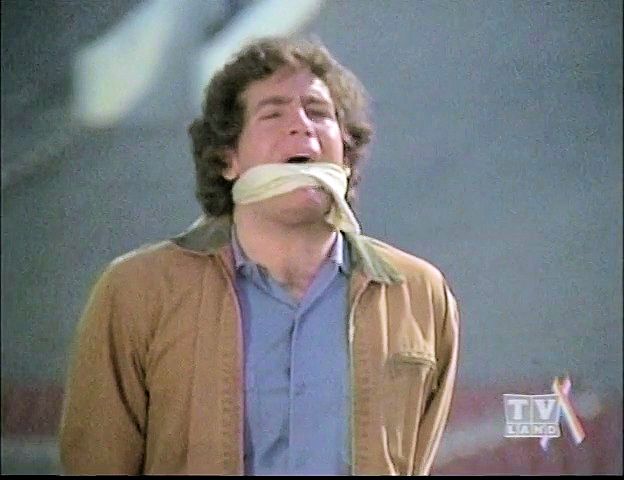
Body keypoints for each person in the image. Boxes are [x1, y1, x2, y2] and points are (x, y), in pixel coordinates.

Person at [59, 36, 460, 475]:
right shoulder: (138, 291)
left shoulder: (417, 294)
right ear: (227, 160)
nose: (302, 126)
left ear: (346, 155)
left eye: (318, 112)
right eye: (273, 113)